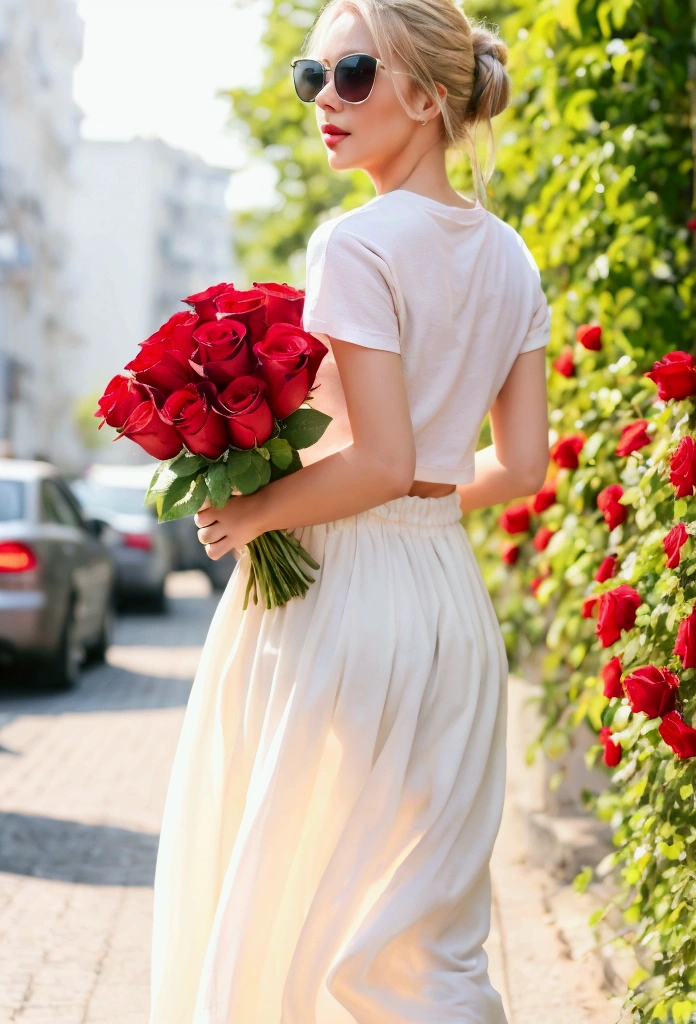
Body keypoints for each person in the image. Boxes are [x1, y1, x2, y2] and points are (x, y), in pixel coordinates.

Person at [148, 0, 551, 1021]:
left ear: (425, 96)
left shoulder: (357, 244)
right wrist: (414, 501)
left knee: (290, 907)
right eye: (311, 76)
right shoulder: (511, 257)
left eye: (353, 74)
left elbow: (380, 458)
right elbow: (523, 466)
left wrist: (254, 511)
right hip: (450, 608)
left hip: (341, 603)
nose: (324, 99)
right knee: (425, 939)